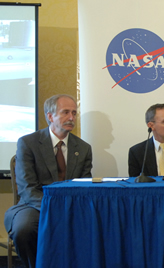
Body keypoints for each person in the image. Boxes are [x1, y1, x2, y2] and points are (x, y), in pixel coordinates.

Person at [4, 94, 93, 268]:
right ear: (50, 116)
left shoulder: (83, 148)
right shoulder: (28, 143)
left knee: (97, 224)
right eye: (65, 112)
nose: (71, 118)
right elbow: (27, 188)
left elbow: (83, 184)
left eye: (74, 113)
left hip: (70, 205)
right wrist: (52, 207)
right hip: (34, 205)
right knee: (24, 230)